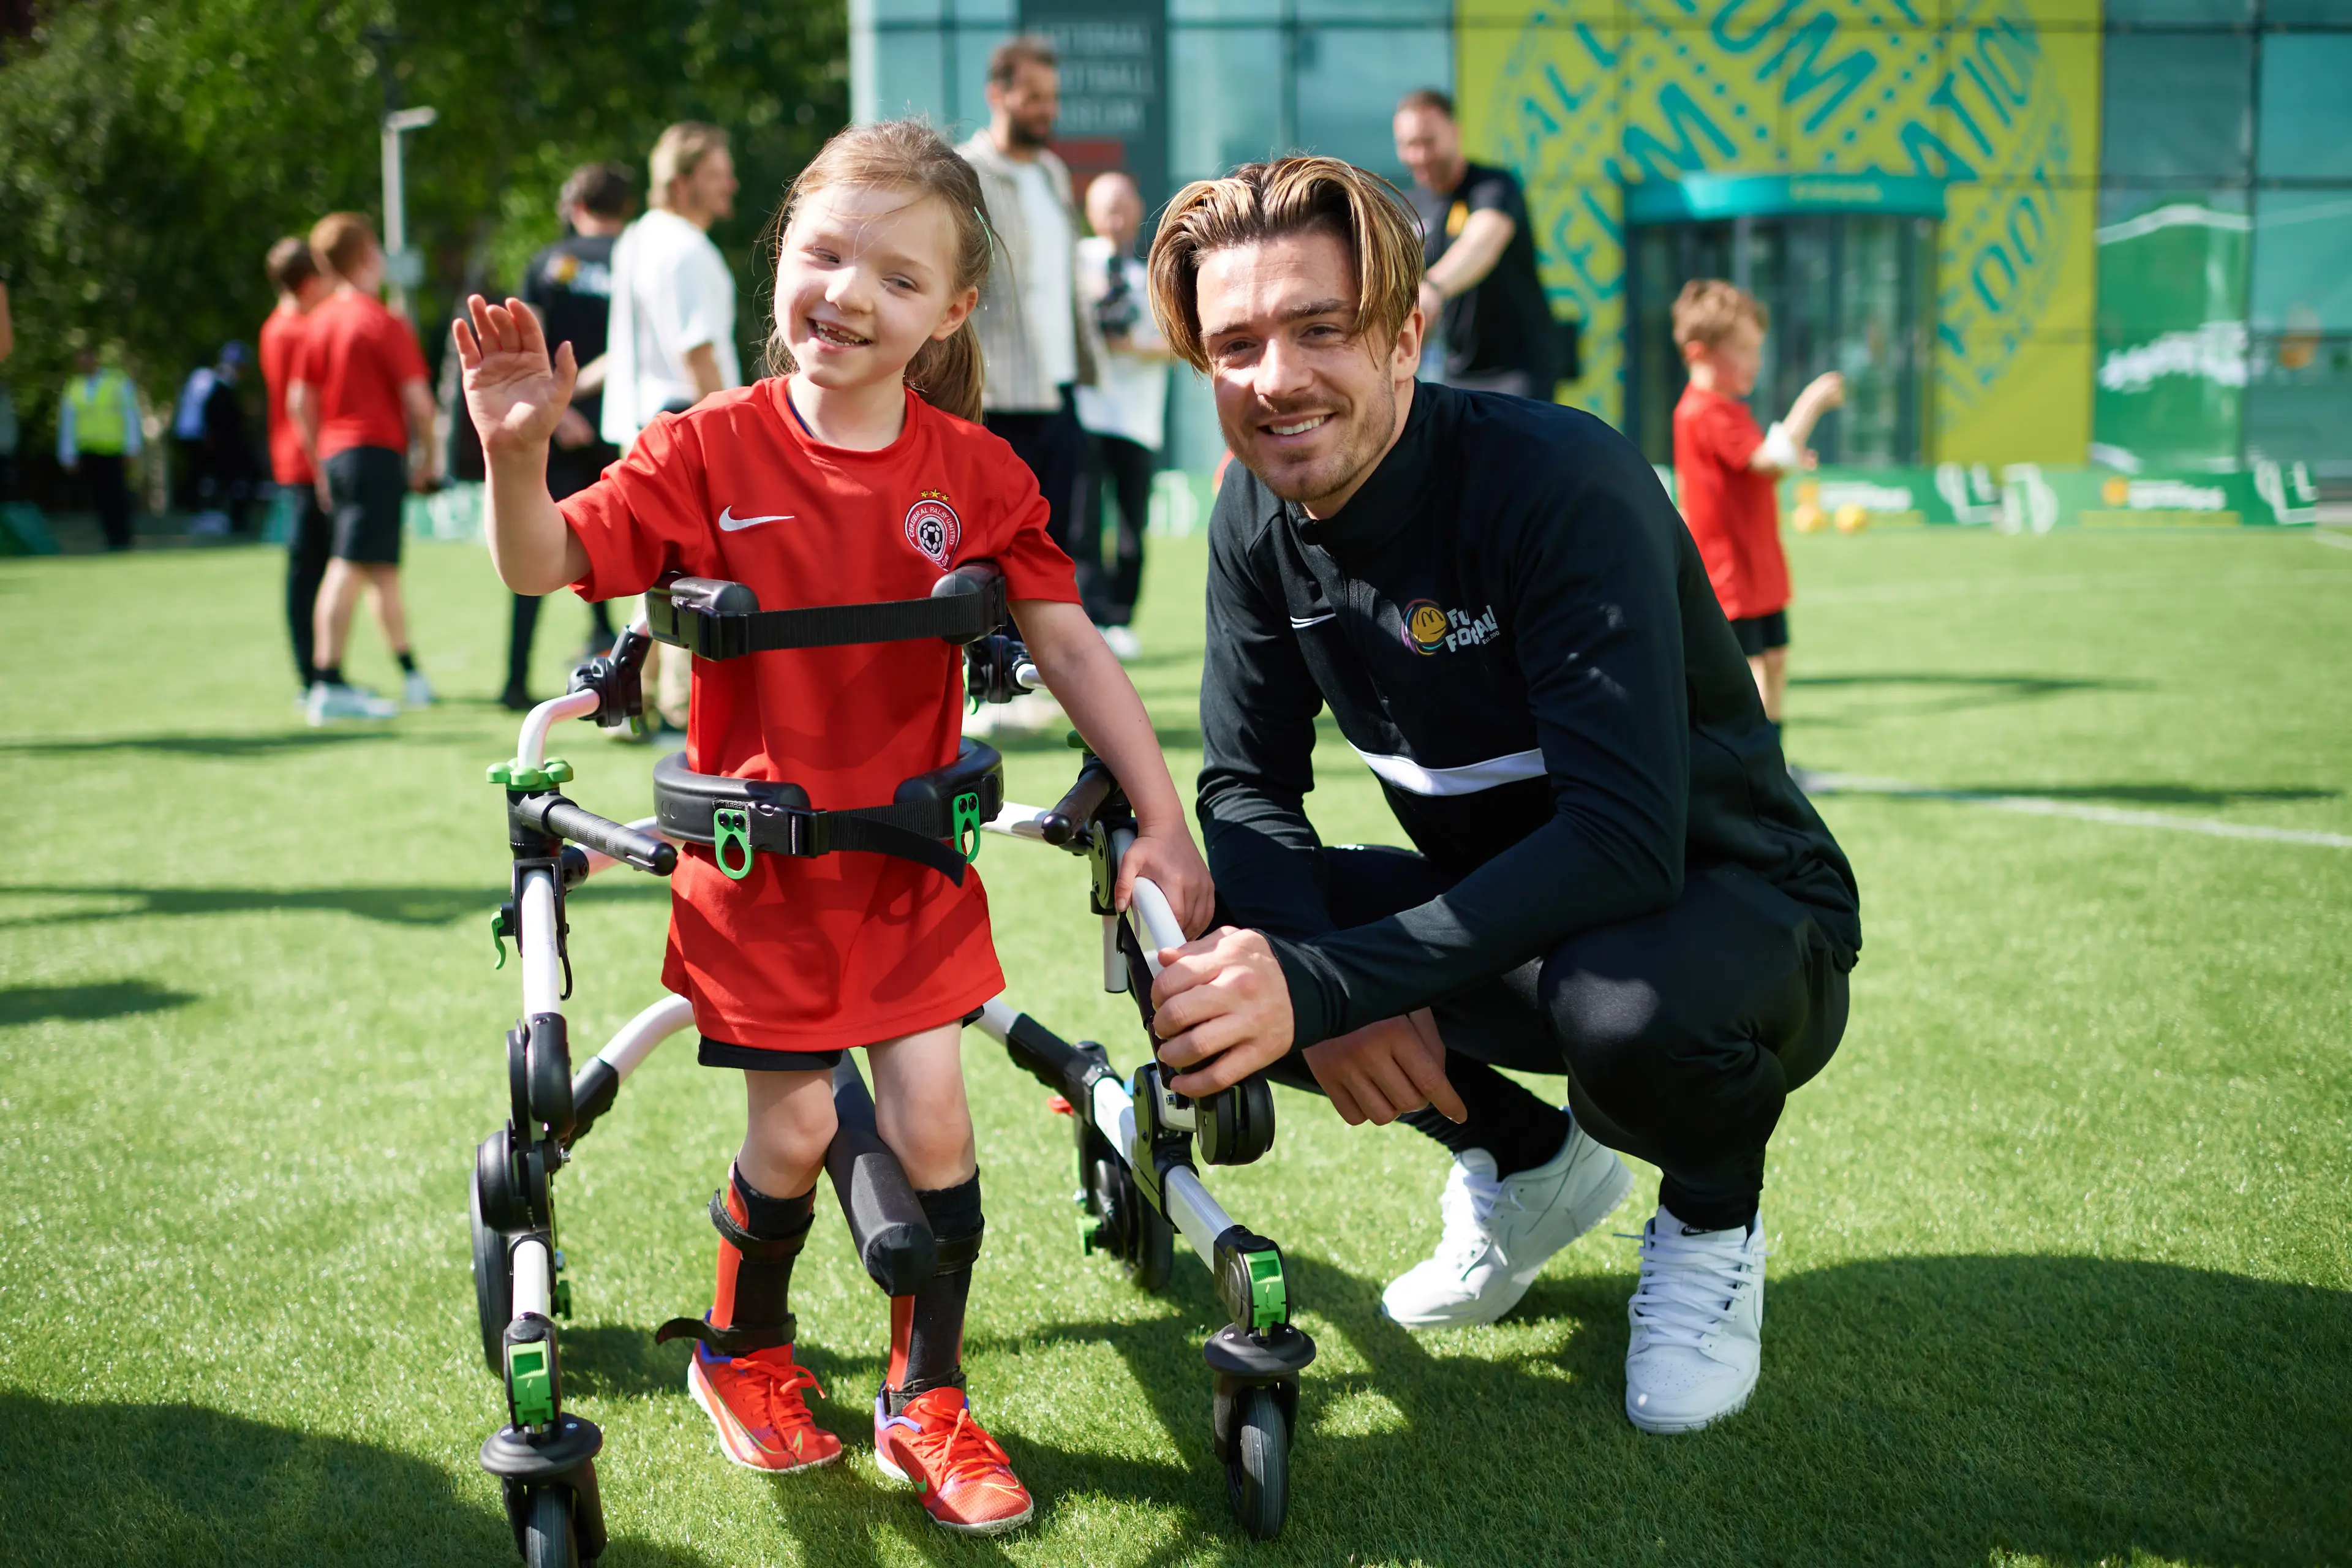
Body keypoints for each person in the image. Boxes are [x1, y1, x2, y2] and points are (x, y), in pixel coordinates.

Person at [455, 118, 1213, 1534]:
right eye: (822, 254)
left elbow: (1074, 646)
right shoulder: (699, 450)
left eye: (897, 275)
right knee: (798, 1126)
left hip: (912, 873)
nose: (848, 293)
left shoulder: (976, 474)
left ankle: (925, 1393)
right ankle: (740, 1353)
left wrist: (1161, 814)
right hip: (758, 883)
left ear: (950, 313)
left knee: (934, 1111)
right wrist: (516, 459)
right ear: (778, 263)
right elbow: (547, 556)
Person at [1137, 157, 1860, 1436]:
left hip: (1734, 916)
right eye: (1235, 341)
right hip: (1521, 921)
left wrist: (1332, 981)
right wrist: (1305, 967)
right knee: (1191, 952)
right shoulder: (1254, 511)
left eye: (1321, 327)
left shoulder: (1558, 482)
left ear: (1407, 330)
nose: (1276, 377)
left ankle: (1708, 1216)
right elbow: (1248, 782)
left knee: (1626, 1002)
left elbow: (1625, 842)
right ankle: (1528, 1159)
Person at [603, 122, 741, 731]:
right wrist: (738, 434)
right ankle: (682, 708)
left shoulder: (637, 238)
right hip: (688, 417)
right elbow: (699, 350)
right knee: (699, 573)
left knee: (662, 573)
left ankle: (634, 692)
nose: (731, 185)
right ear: (683, 182)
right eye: (717, 174)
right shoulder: (684, 247)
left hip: (644, 421)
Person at [287, 211, 442, 725]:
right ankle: (327, 682)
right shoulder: (381, 321)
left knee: (381, 571)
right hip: (375, 454)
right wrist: (430, 458)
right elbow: (419, 402)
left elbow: (298, 402)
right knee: (348, 567)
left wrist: (318, 463)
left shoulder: (318, 320)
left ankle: (411, 674)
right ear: (367, 254)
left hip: (338, 456)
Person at [1670, 279, 1843, 737]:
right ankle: (1751, 767)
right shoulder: (1703, 411)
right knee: (1745, 673)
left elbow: (1757, 464)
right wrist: (1813, 402)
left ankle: (1772, 765)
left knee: (1774, 661)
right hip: (1731, 572)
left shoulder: (1728, 408)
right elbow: (1768, 461)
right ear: (1699, 353)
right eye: (1744, 349)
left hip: (1759, 565)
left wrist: (1787, 455)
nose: (1757, 360)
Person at [959, 37, 1099, 566]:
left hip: (1059, 391)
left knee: (1054, 544)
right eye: (1034, 97)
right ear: (998, 93)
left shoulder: (1052, 174)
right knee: (991, 548)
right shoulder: (962, 172)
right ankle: (997, 651)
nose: (1048, 111)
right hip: (994, 395)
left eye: (1052, 98)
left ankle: (1044, 653)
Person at [501, 161, 634, 710]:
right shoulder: (635, 262)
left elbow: (521, 345)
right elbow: (633, 348)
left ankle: (513, 679)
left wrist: (556, 409)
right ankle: (624, 673)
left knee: (533, 552)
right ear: (625, 209)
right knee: (614, 553)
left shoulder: (546, 263)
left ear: (575, 207)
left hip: (552, 427)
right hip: (620, 422)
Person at [1393, 88, 1556, 399]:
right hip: (1454, 372)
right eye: (1409, 145)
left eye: (1428, 142)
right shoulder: (1410, 207)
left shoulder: (1494, 187)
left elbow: (1481, 244)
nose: (1419, 155)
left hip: (1517, 369)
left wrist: (1433, 289)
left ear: (1455, 134)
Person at [1073, 172, 1170, 660]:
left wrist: (1134, 347)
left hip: (1138, 418)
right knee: (1083, 521)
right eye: (1105, 205)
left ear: (1136, 208)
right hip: (1087, 413)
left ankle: (1121, 618)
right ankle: (1089, 615)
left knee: (1133, 524)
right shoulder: (1075, 262)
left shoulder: (1155, 272)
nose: (1115, 215)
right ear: (1089, 211)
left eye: (1123, 204)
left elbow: (1177, 343)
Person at [262, 237, 336, 700]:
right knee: (307, 571)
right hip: (307, 466)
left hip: (305, 463)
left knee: (316, 569)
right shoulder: (295, 330)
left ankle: (320, 672)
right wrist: (321, 467)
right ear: (310, 283)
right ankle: (312, 677)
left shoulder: (281, 325)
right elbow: (299, 406)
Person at [56, 349, 143, 551]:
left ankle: (124, 536)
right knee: (100, 496)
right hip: (88, 449)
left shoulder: (117, 382)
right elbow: (68, 423)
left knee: (117, 494)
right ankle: (110, 537)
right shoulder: (74, 386)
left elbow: (130, 414)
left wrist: (132, 446)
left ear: (94, 358)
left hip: (114, 449)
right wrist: (67, 454)